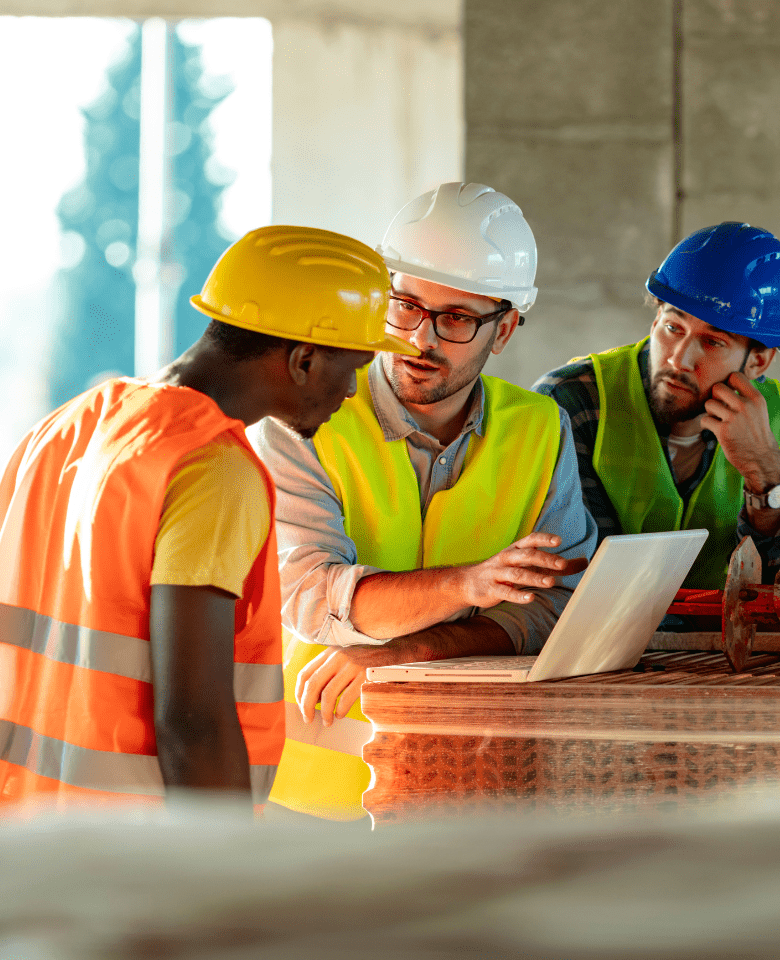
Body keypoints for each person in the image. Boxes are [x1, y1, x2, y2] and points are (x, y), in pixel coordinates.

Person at [0, 225, 416, 825]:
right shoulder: (212, 468)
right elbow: (192, 724)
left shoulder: (66, 427)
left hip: (0, 835)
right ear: (305, 359)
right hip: (125, 855)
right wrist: (219, 881)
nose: (353, 390)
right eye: (353, 366)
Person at [251, 182, 596, 822]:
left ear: (506, 328)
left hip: (473, 786)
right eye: (405, 305)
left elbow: (556, 612)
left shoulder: (540, 429)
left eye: (458, 318)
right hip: (307, 791)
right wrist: (469, 586)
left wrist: (414, 651)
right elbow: (309, 598)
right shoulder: (301, 418)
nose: (420, 338)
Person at [534, 221, 780, 590]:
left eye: (712, 342)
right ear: (656, 316)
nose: (679, 359)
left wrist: (767, 477)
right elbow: (580, 578)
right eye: (673, 329)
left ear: (758, 362)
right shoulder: (572, 402)